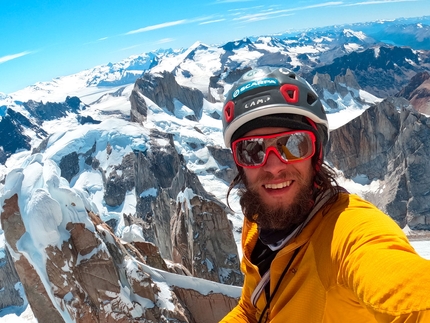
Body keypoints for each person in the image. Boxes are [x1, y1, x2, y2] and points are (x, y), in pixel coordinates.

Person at [219, 66, 430, 323]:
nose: (273, 166)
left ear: (316, 155)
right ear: (240, 164)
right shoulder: (257, 219)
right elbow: (250, 309)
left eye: (294, 144)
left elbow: (413, 301)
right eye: (251, 150)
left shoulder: (348, 232)